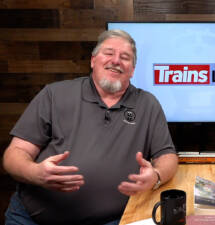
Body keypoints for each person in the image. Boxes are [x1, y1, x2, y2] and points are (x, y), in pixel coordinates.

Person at [2, 29, 178, 225]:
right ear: (93, 60)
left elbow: (167, 156)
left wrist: (156, 175)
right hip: (32, 219)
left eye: (125, 57)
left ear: (133, 69)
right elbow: (13, 155)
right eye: (109, 53)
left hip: (111, 220)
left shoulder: (148, 104)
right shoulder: (54, 95)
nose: (116, 61)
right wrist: (36, 173)